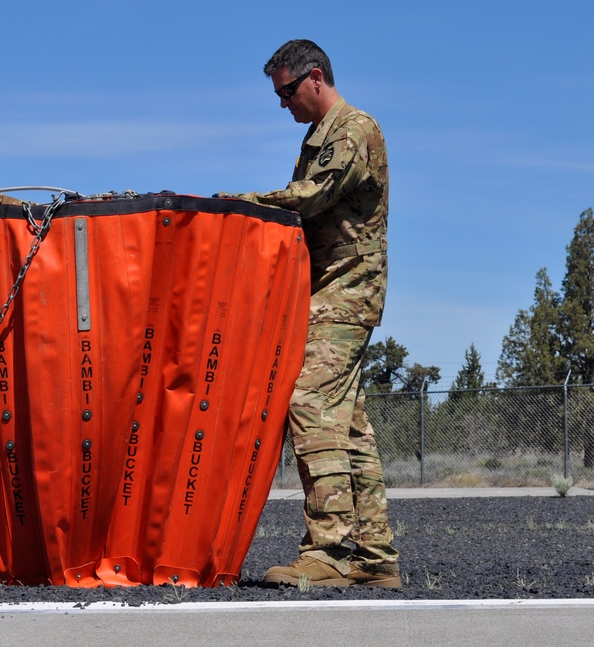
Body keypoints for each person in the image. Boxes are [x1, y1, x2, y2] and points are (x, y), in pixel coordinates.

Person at [222, 40, 400, 588]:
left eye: (286, 91)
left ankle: (329, 550)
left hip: (346, 294)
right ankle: (373, 556)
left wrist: (239, 203)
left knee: (308, 401)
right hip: (328, 291)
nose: (283, 105)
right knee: (348, 423)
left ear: (314, 77)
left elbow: (313, 198)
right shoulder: (318, 137)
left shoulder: (352, 130)